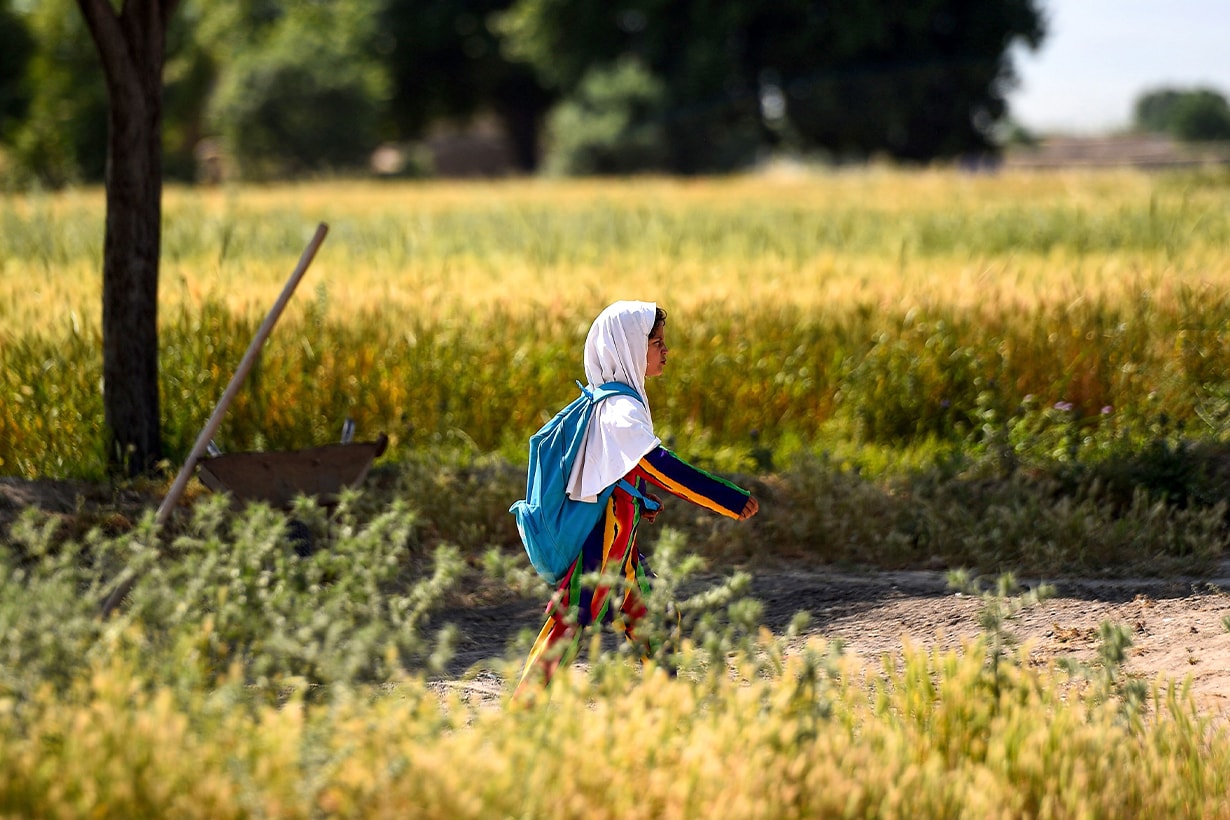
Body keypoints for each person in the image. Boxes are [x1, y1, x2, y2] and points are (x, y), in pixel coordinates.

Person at [513, 300, 759, 699]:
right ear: (628, 346)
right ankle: (519, 716)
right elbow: (660, 468)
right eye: (656, 342)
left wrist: (642, 502)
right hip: (604, 549)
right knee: (569, 626)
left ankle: (664, 712)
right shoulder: (620, 408)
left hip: (621, 549)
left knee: (656, 619)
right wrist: (727, 498)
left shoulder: (614, 402)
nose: (665, 351)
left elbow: (620, 476)